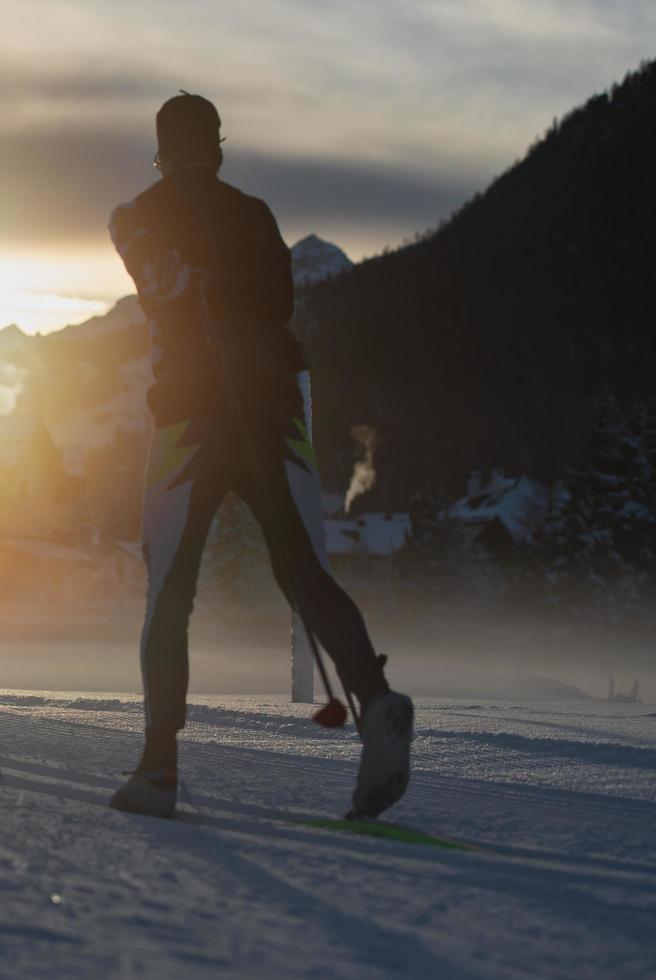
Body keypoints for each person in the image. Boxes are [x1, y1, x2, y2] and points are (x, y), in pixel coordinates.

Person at [106, 93, 413, 820]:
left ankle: (157, 769)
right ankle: (374, 699)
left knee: (169, 590)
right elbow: (277, 306)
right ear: (217, 146)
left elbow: (161, 287)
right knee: (303, 570)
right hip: (277, 408)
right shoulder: (256, 213)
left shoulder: (134, 215)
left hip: (188, 420)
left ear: (160, 149)